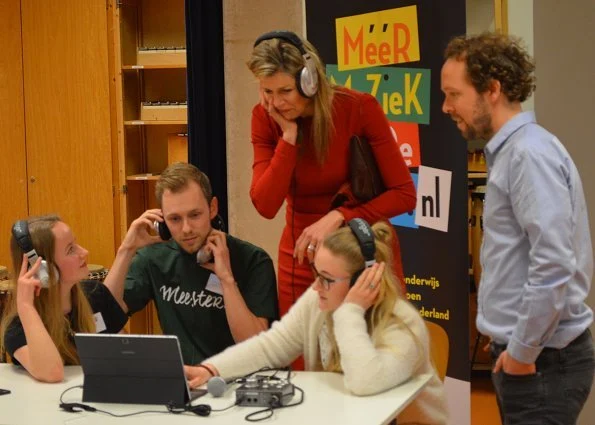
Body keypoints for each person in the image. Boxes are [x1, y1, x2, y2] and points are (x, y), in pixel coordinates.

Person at [441, 32, 594, 424]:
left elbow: (554, 264)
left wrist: (522, 352)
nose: (445, 107)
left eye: (454, 94)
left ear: (491, 89)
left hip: (541, 363)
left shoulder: (527, 154)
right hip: (533, 358)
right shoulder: (514, 152)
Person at [185, 219, 448, 425]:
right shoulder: (319, 299)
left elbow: (365, 382)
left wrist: (350, 312)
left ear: (363, 281)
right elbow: (271, 346)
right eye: (316, 274)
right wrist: (211, 370)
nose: (316, 287)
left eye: (327, 279)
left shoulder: (402, 325)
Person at [247, 31, 416, 319]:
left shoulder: (358, 108)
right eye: (267, 92)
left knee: (368, 351)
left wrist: (341, 216)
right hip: (301, 256)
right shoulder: (265, 118)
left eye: (285, 91)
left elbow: (404, 195)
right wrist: (288, 139)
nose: (275, 104)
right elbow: (265, 204)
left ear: (309, 81)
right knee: (303, 355)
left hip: (360, 248)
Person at [103, 162, 279, 365]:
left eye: (194, 215)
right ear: (162, 220)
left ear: (212, 208)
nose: (186, 229)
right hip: (184, 381)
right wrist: (126, 250)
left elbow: (256, 347)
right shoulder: (154, 258)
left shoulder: (253, 260)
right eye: (175, 219)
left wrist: (226, 280)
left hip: (236, 378)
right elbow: (105, 318)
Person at [0, 215, 128, 382]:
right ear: (44, 269)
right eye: (70, 249)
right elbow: (52, 373)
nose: (84, 252)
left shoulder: (96, 294)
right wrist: (25, 306)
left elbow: (125, 355)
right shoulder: (18, 326)